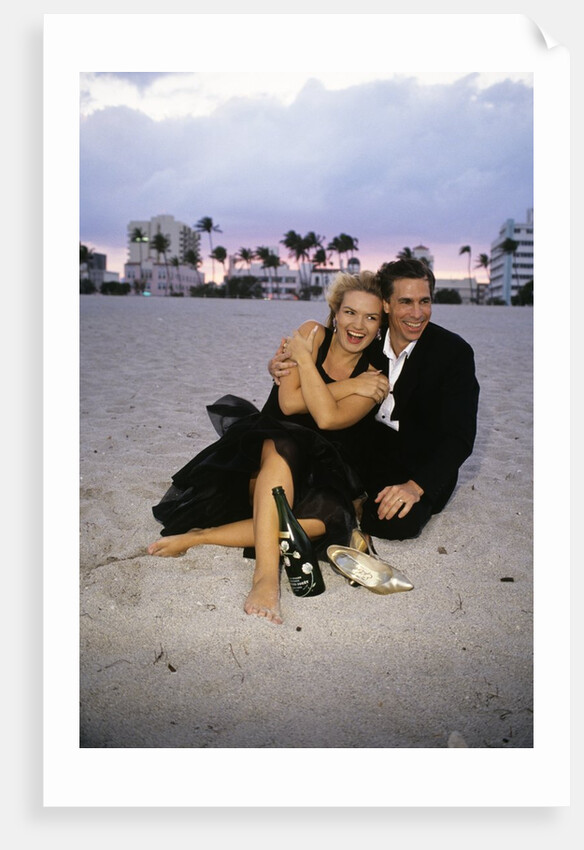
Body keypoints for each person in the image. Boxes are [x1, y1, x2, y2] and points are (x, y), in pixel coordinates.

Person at [148, 271, 389, 624]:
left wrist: (309, 364)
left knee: (325, 522)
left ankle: (203, 536)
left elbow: (327, 419)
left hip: (319, 472)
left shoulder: (375, 376)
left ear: (380, 325)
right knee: (285, 442)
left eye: (371, 317)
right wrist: (341, 380)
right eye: (350, 312)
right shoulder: (312, 333)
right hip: (262, 458)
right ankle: (265, 577)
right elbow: (289, 405)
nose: (358, 325)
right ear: (335, 313)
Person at [269, 258, 480, 543]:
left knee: (395, 524)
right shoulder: (365, 339)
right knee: (311, 492)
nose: (417, 313)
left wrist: (416, 486)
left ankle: (353, 513)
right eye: (406, 301)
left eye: (425, 301)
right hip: (359, 448)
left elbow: (460, 438)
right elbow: (326, 371)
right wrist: (281, 365)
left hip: (419, 461)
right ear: (386, 305)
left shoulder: (453, 353)